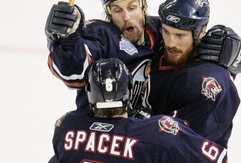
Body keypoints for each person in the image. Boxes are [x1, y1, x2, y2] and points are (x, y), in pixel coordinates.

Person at [45, 0, 241, 115]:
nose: (126, 17)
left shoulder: (162, 30)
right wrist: (67, 40)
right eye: (117, 10)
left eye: (132, 7)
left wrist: (231, 51)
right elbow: (73, 73)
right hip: (100, 134)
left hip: (146, 140)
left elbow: (194, 43)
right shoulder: (101, 35)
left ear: (144, 7)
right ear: (108, 15)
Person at [49, 58, 228, 163]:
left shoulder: (66, 128)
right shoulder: (157, 132)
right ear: (129, 89)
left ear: (89, 92)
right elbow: (217, 159)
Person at [149, 0, 241, 149]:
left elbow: (174, 145)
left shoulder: (208, 79)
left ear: (201, 31)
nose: (170, 43)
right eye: (166, 31)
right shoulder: (158, 48)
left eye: (180, 35)